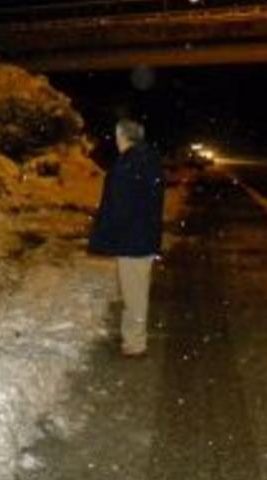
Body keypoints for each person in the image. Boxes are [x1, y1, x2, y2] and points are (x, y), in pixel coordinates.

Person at [89, 118, 165, 357]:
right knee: (135, 290)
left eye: (117, 136)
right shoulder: (147, 159)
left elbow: (119, 206)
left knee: (134, 294)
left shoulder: (129, 164)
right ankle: (131, 337)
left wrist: (105, 236)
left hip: (133, 240)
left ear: (123, 136)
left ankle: (135, 343)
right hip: (143, 236)